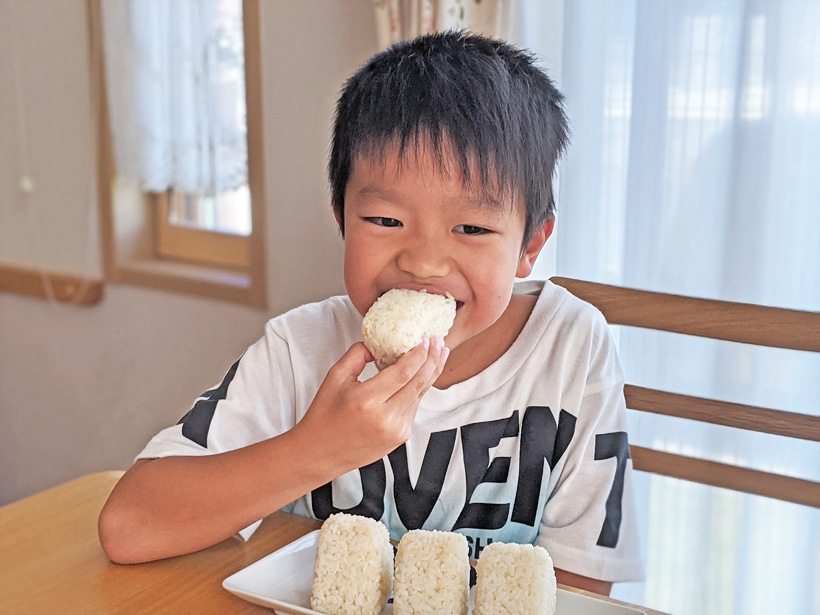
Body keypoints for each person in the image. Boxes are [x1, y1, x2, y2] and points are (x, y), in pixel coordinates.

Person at [99, 30, 643, 594]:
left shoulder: (571, 347)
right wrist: (317, 449)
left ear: (531, 245)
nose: (425, 261)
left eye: (473, 228)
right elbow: (129, 526)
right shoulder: (300, 349)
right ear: (341, 216)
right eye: (386, 220)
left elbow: (582, 585)